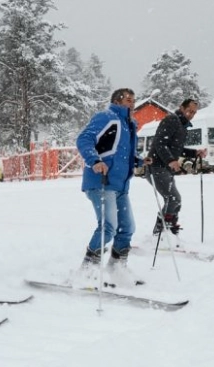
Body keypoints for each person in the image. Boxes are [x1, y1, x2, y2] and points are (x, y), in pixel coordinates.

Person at [75, 88, 147, 287]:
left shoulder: (129, 124)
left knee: (127, 228)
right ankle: (88, 270)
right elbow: (84, 139)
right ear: (117, 101)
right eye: (128, 100)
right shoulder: (107, 117)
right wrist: (94, 160)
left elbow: (120, 153)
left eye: (134, 100)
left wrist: (139, 161)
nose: (132, 104)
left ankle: (117, 267)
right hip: (101, 181)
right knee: (108, 227)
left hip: (121, 185)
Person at [145, 98, 207, 236]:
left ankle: (168, 228)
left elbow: (177, 149)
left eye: (194, 112)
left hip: (165, 169)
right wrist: (171, 160)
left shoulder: (182, 125)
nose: (191, 114)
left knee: (175, 200)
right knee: (173, 198)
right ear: (181, 107)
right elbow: (160, 143)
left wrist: (195, 152)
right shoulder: (172, 120)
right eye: (189, 111)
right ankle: (161, 233)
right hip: (156, 167)